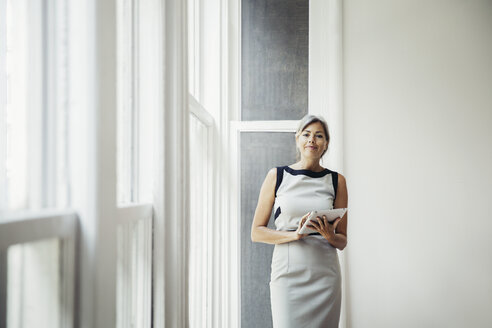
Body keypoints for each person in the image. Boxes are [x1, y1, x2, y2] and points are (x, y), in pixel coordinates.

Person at [250, 114, 348, 328]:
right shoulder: (277, 176)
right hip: (288, 276)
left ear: (326, 144)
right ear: (297, 139)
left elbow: (342, 241)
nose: (312, 140)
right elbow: (257, 232)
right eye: (307, 134)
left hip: (325, 276)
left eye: (319, 136)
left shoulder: (337, 181)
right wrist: (295, 234)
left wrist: (331, 236)